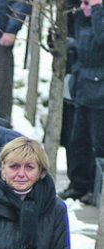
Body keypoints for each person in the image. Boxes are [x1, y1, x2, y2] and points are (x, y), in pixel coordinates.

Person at [60, 0, 104, 204]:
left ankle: (96, 189)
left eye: (88, 3)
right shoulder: (82, 19)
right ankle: (77, 185)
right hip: (82, 89)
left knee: (99, 146)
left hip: (100, 94)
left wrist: (97, 9)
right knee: (77, 142)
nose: (84, 7)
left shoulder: (97, 19)